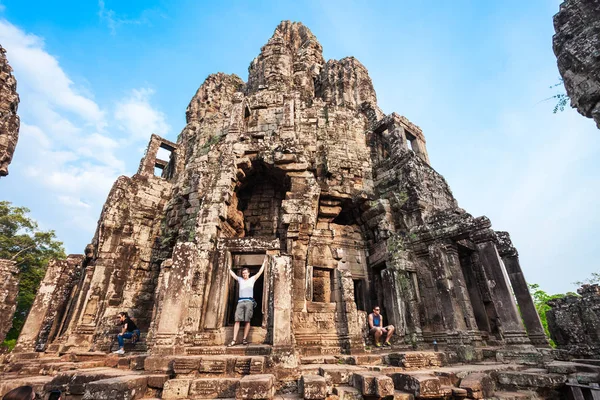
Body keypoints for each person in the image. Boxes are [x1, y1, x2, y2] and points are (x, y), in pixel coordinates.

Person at [227, 257, 266, 346]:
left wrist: (264, 263)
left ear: (249, 273)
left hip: (249, 302)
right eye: (243, 273)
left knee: (247, 320)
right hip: (240, 302)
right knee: (237, 320)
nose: (244, 274)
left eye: (245, 273)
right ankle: (234, 340)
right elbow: (233, 275)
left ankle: (244, 339)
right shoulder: (240, 280)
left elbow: (260, 272)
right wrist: (229, 268)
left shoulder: (252, 279)